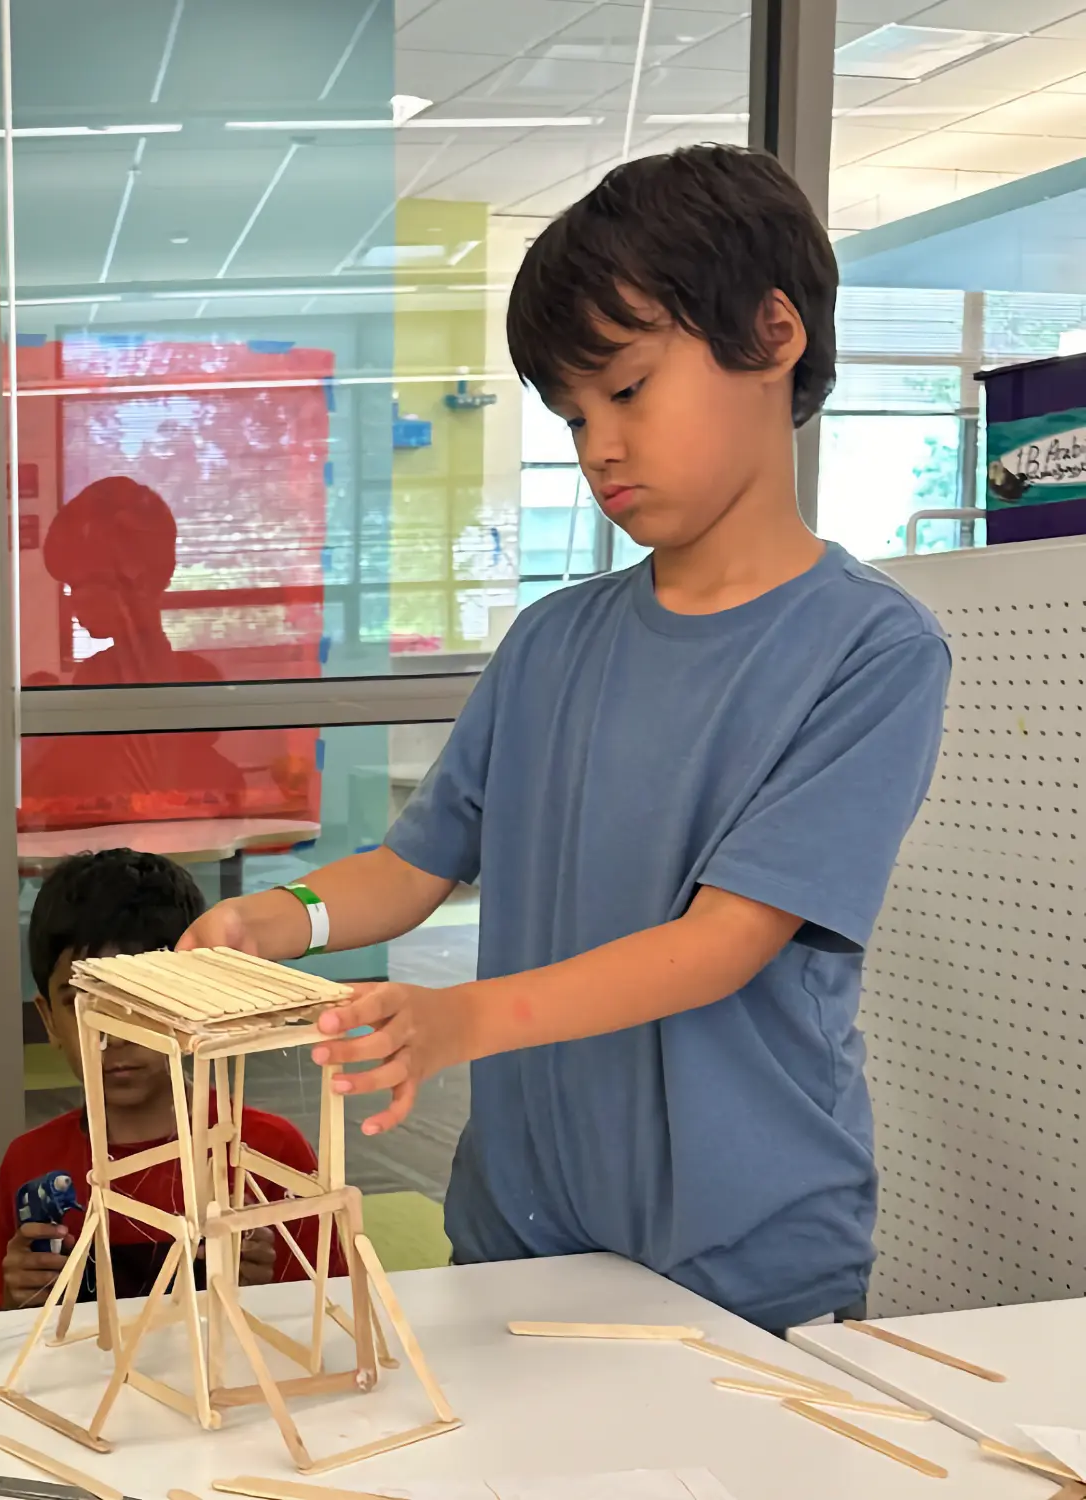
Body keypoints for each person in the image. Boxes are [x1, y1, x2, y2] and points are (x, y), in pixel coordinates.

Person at [180, 145, 951, 1336]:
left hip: (743, 1259)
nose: (597, 447)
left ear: (773, 332)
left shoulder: (869, 652)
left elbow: (720, 945)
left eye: (628, 390)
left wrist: (454, 1023)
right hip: (517, 1233)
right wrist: (279, 921)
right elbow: (412, 865)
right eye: (572, 413)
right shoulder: (549, 644)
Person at [0, 850, 341, 1313]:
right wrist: (17, 1298)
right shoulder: (27, 1163)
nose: (111, 1035)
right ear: (48, 1020)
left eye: (139, 1000)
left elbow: (327, 1310)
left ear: (193, 999)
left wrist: (265, 1292)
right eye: (81, 1003)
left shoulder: (270, 1151)